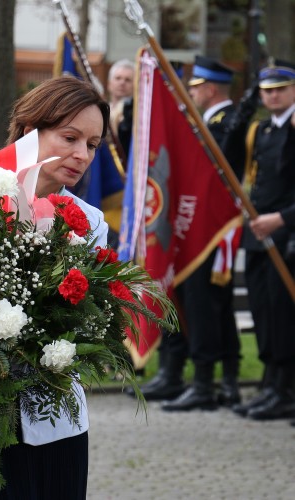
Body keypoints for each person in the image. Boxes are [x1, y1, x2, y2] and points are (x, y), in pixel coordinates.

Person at [0, 76, 110, 499]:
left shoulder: (90, 223)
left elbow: (91, 320)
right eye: (70, 137)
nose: (81, 154)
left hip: (56, 424)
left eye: (92, 144)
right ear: (32, 129)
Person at [161, 56, 245, 411]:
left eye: (195, 88)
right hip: (200, 224)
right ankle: (220, 383)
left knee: (205, 304)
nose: (191, 93)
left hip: (213, 226)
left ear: (210, 90)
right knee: (205, 304)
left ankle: (209, 383)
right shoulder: (209, 121)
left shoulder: (227, 123)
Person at [232, 59, 295, 421]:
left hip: (286, 234)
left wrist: (282, 219)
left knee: (283, 313)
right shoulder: (263, 130)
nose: (272, 97)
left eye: (280, 90)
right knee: (263, 310)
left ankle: (284, 388)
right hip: (259, 232)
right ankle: (270, 383)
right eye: (267, 92)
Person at [107, 58, 135, 156]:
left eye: (128, 80)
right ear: (109, 84)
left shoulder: (137, 115)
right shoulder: (99, 111)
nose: (122, 83)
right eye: (118, 78)